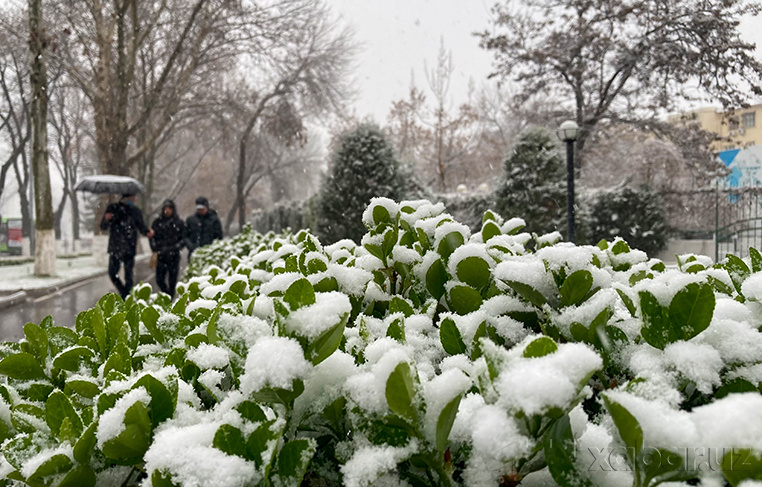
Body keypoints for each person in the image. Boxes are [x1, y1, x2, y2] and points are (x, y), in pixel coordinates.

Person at [100, 193, 153, 299]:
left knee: (129, 275)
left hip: (130, 246)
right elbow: (103, 226)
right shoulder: (113, 208)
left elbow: (141, 225)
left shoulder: (135, 211)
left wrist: (147, 232)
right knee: (112, 273)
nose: (133, 199)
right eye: (131, 197)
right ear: (124, 197)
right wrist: (106, 219)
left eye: (133, 198)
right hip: (116, 246)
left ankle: (127, 297)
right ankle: (125, 294)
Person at [149, 199, 185, 298]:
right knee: (159, 279)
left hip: (174, 255)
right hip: (161, 255)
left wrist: (177, 247)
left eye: (169, 208)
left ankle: (170, 297)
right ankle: (167, 294)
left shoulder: (179, 223)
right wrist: (155, 248)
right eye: (166, 208)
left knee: (172, 280)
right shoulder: (157, 223)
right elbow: (152, 237)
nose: (167, 211)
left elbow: (184, 238)